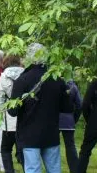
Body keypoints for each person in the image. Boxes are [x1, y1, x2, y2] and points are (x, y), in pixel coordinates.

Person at [8, 43, 73, 173]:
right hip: (51, 133)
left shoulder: (22, 80)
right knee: (54, 169)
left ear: (29, 58)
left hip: (29, 134)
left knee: (33, 169)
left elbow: (12, 111)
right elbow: (68, 108)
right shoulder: (57, 80)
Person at [0, 54, 25, 173]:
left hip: (9, 121)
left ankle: (9, 171)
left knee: (6, 149)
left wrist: (3, 111)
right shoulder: (26, 75)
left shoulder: (3, 78)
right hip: (25, 120)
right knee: (23, 150)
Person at [59, 79, 82, 173]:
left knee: (52, 146)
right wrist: (74, 119)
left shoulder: (54, 84)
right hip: (68, 119)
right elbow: (79, 105)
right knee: (70, 146)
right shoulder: (73, 87)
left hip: (54, 119)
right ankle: (75, 170)